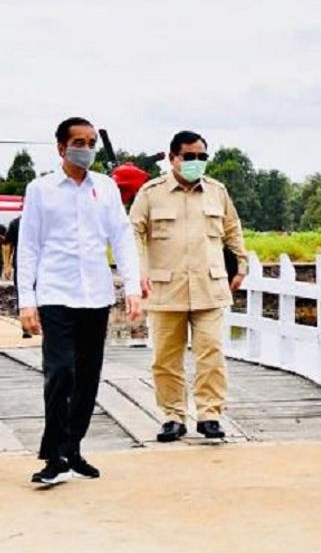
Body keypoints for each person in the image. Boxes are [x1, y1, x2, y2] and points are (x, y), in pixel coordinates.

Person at [18, 118, 142, 485]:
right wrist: (27, 300)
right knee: (60, 372)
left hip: (96, 295)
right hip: (56, 292)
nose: (85, 149)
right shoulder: (40, 189)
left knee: (88, 377)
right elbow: (28, 246)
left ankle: (72, 448)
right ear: (60, 148)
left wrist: (131, 288)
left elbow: (121, 239)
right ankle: (53, 455)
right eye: (78, 142)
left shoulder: (105, 189)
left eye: (90, 143)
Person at [130, 130, 247, 443]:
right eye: (189, 156)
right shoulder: (151, 193)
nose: (196, 162)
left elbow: (232, 230)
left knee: (212, 353)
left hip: (209, 287)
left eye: (202, 157)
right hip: (166, 289)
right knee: (167, 358)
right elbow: (133, 233)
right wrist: (138, 271)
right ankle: (173, 416)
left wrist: (241, 264)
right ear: (172, 158)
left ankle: (210, 415)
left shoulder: (217, 192)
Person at [2, 217, 31, 339]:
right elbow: (8, 245)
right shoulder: (16, 223)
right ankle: (26, 328)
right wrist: (7, 265)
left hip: (42, 265)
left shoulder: (44, 220)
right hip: (22, 264)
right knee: (23, 293)